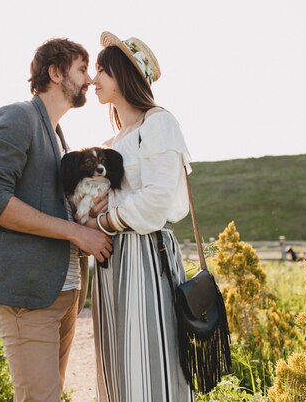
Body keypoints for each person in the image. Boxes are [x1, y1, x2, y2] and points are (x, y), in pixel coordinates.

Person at [0, 38, 113, 402]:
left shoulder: (61, 138)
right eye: (82, 69)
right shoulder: (18, 116)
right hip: (28, 296)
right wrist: (76, 232)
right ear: (55, 72)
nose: (89, 79)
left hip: (64, 294)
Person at [86, 32, 195, 401]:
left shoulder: (159, 124)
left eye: (101, 70)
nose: (93, 79)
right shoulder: (114, 140)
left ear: (123, 74)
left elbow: (155, 202)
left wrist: (100, 222)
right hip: (111, 261)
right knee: (118, 365)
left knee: (148, 360)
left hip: (146, 256)